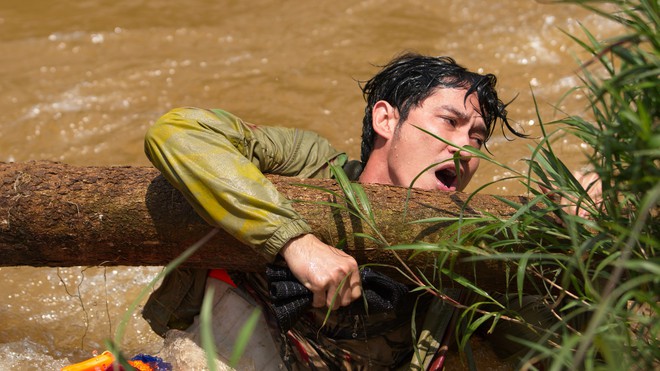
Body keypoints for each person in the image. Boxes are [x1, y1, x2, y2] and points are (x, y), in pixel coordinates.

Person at [142, 52, 526, 369]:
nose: (465, 149)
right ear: (386, 119)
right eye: (449, 122)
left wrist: (571, 228)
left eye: (477, 137)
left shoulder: (470, 245)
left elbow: (554, 344)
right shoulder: (306, 166)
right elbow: (179, 131)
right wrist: (295, 242)